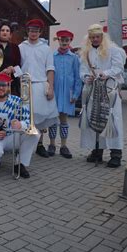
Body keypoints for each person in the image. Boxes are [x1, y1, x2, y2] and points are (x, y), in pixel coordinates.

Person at [79, 24, 126, 167]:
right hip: (93, 91)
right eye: (92, 37)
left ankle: (116, 154)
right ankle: (97, 150)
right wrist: (86, 77)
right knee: (94, 118)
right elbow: (82, 70)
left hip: (109, 90)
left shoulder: (114, 50)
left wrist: (106, 74)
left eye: (97, 37)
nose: (94, 39)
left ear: (102, 36)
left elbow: (118, 67)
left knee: (112, 119)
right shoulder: (86, 52)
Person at [0, 73, 39, 178]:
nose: (1, 88)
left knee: (34, 135)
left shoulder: (18, 101)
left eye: (4, 85)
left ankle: (20, 164)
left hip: (12, 136)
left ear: (8, 86)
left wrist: (20, 124)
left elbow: (29, 121)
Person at [19, 19, 59, 158]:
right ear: (27, 31)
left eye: (36, 31)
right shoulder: (21, 47)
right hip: (24, 85)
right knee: (25, 117)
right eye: (31, 30)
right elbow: (18, 66)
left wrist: (51, 88)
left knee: (41, 119)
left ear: (40, 32)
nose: (33, 33)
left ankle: (40, 144)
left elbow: (50, 68)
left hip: (41, 84)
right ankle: (24, 145)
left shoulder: (46, 48)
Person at [47, 30, 82, 158]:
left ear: (70, 41)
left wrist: (75, 94)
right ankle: (51, 144)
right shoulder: (52, 56)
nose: (64, 42)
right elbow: (49, 73)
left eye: (67, 40)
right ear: (58, 40)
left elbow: (78, 78)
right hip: (54, 93)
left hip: (67, 94)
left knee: (63, 119)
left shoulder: (74, 58)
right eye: (62, 40)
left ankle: (64, 145)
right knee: (52, 119)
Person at [0, 20, 21, 95]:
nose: (5, 32)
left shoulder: (15, 48)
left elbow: (19, 68)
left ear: (10, 34)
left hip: (11, 85)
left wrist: (13, 69)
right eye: (2, 30)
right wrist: (0, 73)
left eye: (7, 31)